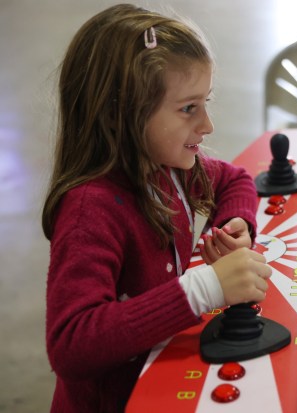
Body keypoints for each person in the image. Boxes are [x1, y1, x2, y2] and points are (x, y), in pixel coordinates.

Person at [41, 4, 271, 412]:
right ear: (119, 115)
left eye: (206, 103)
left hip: (163, 384)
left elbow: (233, 178)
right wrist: (204, 288)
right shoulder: (89, 211)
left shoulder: (167, 167)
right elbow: (71, 344)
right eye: (188, 108)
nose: (207, 126)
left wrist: (235, 224)